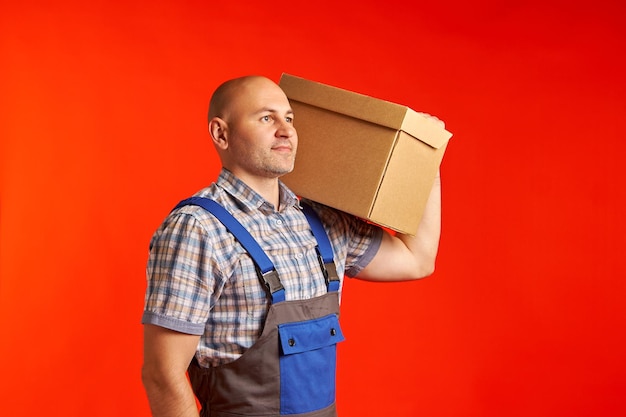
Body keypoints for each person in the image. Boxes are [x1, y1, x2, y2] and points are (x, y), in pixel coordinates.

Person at [141, 75, 443, 417]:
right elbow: (162, 374)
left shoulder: (322, 222)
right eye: (266, 118)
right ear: (221, 133)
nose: (285, 130)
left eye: (289, 118)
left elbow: (417, 259)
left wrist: (426, 165)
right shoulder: (197, 228)